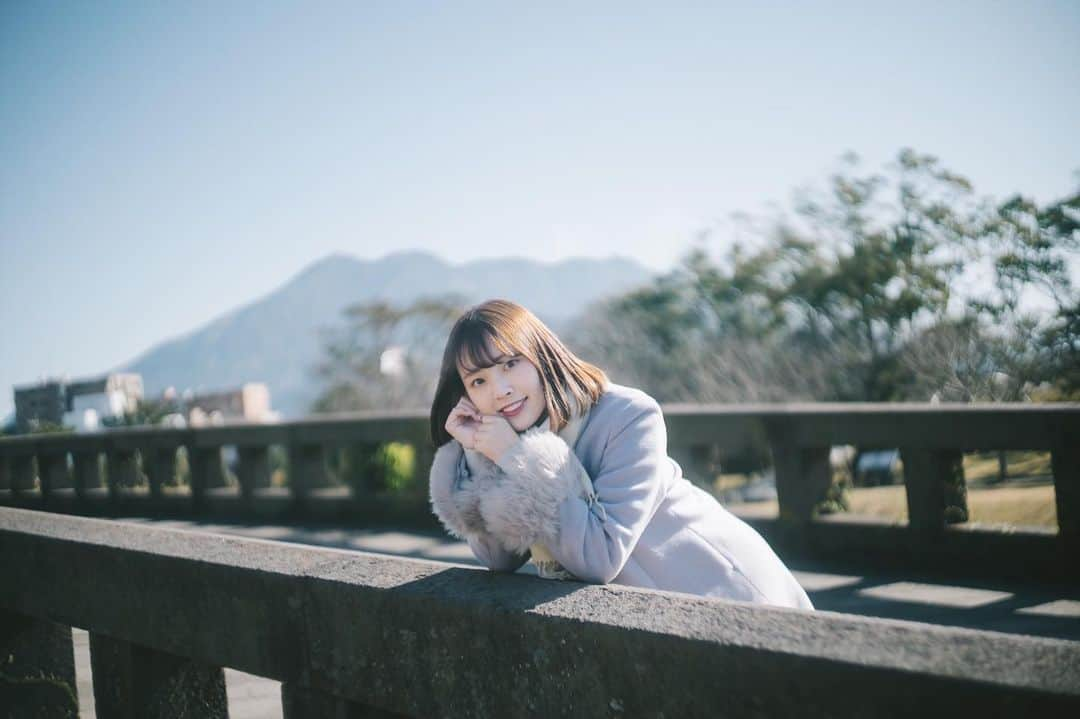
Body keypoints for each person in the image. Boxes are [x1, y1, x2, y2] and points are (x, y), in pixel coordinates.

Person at [428, 299, 812, 609]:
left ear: (541, 354)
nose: (500, 390)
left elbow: (601, 557)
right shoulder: (518, 438)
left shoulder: (627, 416)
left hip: (727, 594)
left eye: (511, 364)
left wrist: (515, 457)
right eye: (479, 381)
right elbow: (501, 559)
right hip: (657, 619)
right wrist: (478, 450)